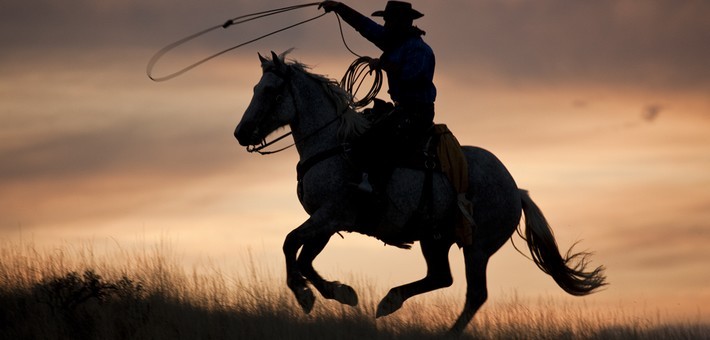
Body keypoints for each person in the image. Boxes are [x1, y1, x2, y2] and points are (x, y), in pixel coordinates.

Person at [319, 1, 437, 192]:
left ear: (400, 23)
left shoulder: (419, 49)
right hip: (401, 108)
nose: (384, 25)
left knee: (378, 137)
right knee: (362, 129)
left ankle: (374, 184)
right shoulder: (394, 41)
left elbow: (411, 76)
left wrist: (382, 64)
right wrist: (339, 8)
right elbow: (365, 26)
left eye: (388, 21)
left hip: (417, 112)